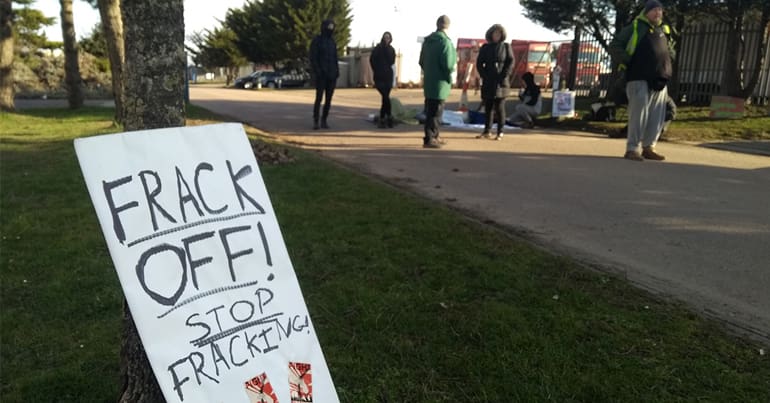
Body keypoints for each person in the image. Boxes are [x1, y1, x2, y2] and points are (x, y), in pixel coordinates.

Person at [610, 0, 674, 161]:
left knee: (656, 115)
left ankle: (649, 147)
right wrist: (628, 60)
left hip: (659, 78)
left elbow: (669, 50)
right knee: (639, 114)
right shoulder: (635, 27)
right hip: (638, 77)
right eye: (654, 10)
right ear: (646, 12)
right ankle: (632, 149)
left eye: (660, 10)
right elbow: (615, 45)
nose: (658, 13)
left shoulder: (663, 30)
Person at [418, 15, 457, 148]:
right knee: (436, 112)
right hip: (440, 82)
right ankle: (430, 138)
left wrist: (429, 72)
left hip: (429, 81)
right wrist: (448, 74)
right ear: (448, 26)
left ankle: (435, 135)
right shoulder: (445, 42)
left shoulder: (427, 42)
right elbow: (448, 64)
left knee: (430, 109)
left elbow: (421, 61)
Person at [475, 24, 514, 140]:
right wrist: (484, 75)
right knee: (488, 107)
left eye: (499, 34)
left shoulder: (506, 47)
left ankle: (500, 131)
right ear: (490, 34)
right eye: (495, 33)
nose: (496, 36)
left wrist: (504, 74)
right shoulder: (485, 47)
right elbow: (479, 63)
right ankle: (487, 130)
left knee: (500, 107)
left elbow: (510, 62)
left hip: (502, 82)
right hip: (488, 81)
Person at [309, 19, 339, 130]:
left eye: (332, 27)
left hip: (332, 75)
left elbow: (335, 58)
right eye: (329, 26)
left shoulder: (332, 42)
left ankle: (324, 120)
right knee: (319, 98)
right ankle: (316, 120)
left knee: (328, 100)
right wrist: (318, 71)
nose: (331, 29)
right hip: (321, 75)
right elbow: (313, 57)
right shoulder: (317, 40)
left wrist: (337, 72)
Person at [370, 31, 397, 128]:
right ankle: (389, 117)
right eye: (385, 37)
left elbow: (392, 61)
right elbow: (372, 60)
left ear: (390, 39)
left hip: (388, 77)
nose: (387, 39)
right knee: (385, 97)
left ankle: (382, 119)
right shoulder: (377, 48)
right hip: (379, 77)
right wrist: (376, 69)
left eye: (388, 38)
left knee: (385, 98)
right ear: (382, 38)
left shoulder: (391, 50)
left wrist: (387, 50)